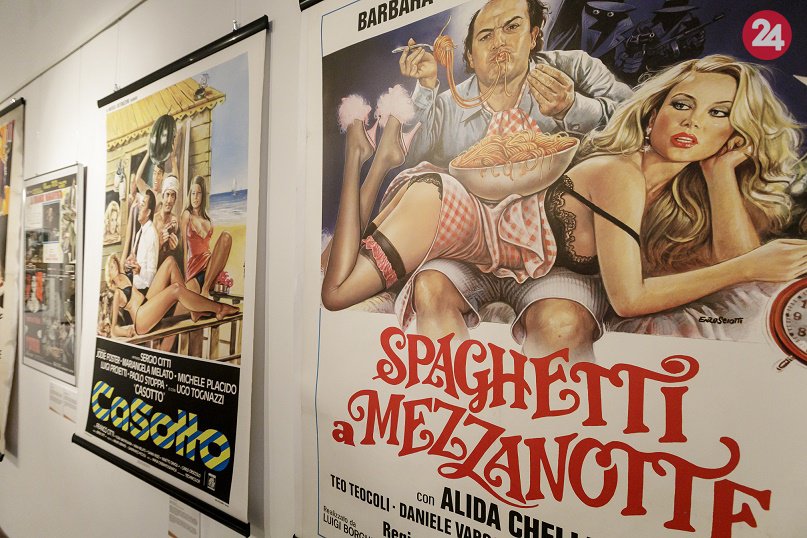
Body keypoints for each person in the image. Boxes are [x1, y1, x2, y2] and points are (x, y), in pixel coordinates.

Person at [321, 54, 807, 361]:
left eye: (719, 113)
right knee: (337, 287)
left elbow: (741, 268)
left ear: (737, 129)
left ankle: (380, 159)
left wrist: (720, 174)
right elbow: (630, 300)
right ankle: (364, 158)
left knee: (338, 262)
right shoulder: (620, 173)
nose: (693, 122)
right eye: (682, 104)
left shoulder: (682, 193)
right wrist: (749, 265)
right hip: (465, 218)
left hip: (517, 262)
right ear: (653, 112)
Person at [394, 0, 632, 356]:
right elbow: (411, 164)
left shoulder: (575, 69)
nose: (499, 42)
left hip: (557, 261)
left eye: (512, 27)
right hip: (472, 253)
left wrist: (574, 108)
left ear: (534, 36)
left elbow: (640, 119)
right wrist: (426, 87)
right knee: (429, 287)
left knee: (561, 324)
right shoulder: (447, 104)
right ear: (470, 56)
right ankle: (451, 387)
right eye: (485, 36)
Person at [105, 254, 238, 339]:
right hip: (141, 320)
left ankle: (193, 309)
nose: (114, 266)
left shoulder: (126, 276)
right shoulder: (117, 293)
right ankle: (219, 308)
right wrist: (126, 332)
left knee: (170, 261)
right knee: (175, 289)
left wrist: (138, 270)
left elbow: (144, 281)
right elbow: (114, 330)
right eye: (110, 266)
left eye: (114, 263)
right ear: (108, 275)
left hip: (146, 305)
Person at [180, 175, 232, 297]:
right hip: (194, 270)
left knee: (226, 237)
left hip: (209, 268)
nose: (195, 197)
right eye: (193, 193)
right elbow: (184, 249)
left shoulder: (208, 220)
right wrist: (185, 277)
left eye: (198, 193)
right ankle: (205, 289)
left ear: (203, 195)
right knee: (193, 308)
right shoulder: (187, 215)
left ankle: (206, 288)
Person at [126, 189, 158, 291]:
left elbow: (152, 275)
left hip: (144, 291)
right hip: (135, 288)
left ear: (148, 212)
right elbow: (136, 259)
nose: (139, 207)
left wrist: (140, 271)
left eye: (143, 204)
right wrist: (131, 260)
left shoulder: (151, 234)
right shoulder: (140, 232)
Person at [155, 175, 182, 268]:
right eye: (167, 195)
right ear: (162, 196)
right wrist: (159, 244)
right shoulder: (154, 221)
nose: (169, 200)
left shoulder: (176, 223)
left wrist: (175, 248)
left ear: (175, 200)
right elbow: (146, 254)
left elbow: (179, 258)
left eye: (173, 196)